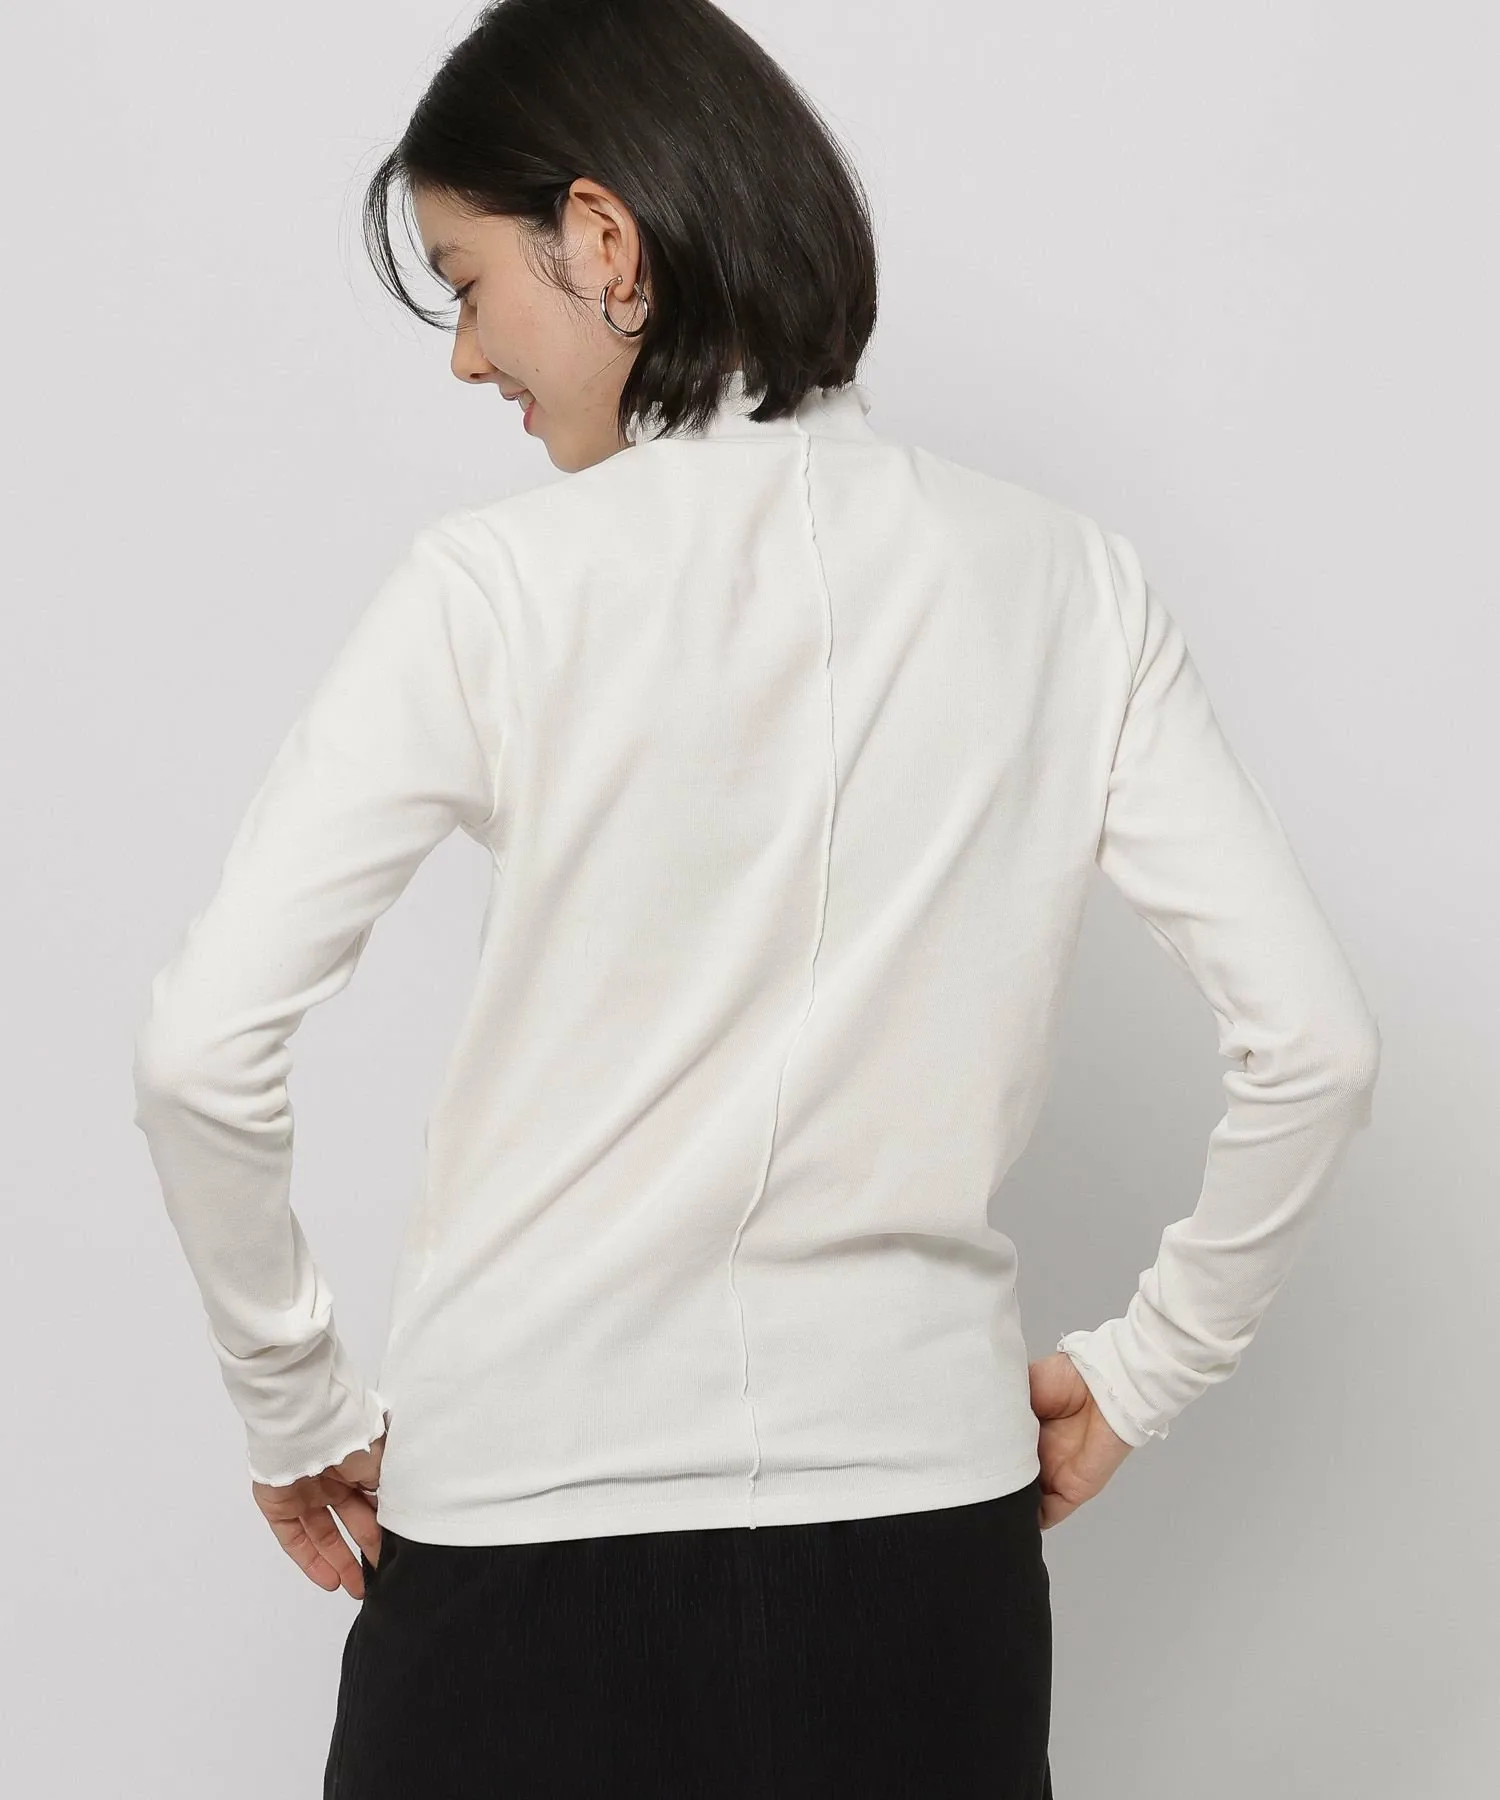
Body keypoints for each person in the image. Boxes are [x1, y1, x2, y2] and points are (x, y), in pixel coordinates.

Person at [129, 1, 1382, 1795]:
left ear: (604, 241)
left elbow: (200, 1052)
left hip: (522, 1550)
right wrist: (1148, 1368)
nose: (467, 359)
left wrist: (297, 1404)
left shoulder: (494, 589)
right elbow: (1318, 1048)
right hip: (927, 1566)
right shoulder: (1069, 585)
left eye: (468, 284)